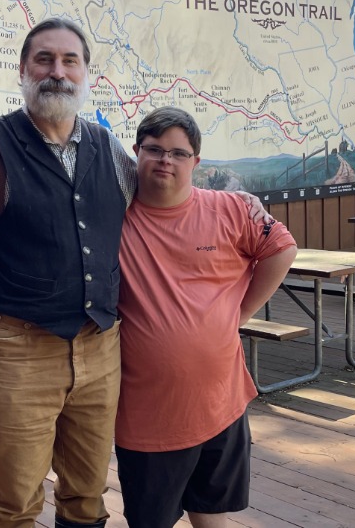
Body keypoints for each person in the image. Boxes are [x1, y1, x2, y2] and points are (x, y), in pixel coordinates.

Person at [0, 18, 269, 528]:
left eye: (70, 61)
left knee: (87, 493)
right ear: (23, 70)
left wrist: (234, 204)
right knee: (17, 499)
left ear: (84, 73)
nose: (57, 71)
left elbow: (164, 188)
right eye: (44, 59)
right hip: (19, 349)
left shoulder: (106, 147)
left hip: (100, 347)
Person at [115, 107, 297, 528]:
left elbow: (282, 249)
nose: (166, 160)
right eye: (155, 149)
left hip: (221, 402)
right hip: (148, 417)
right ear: (136, 152)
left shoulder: (232, 209)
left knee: (212, 512)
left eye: (179, 153)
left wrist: (242, 313)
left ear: (196, 162)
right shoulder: (112, 219)